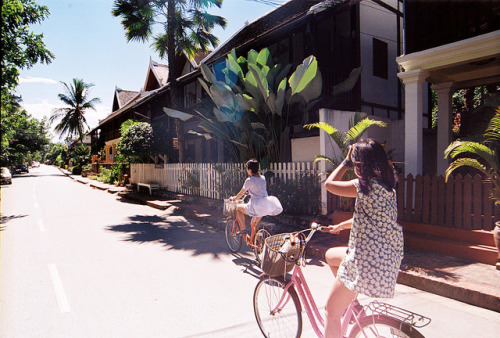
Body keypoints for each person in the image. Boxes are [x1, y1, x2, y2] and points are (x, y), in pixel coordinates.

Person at [322, 139, 403, 338]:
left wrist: (346, 162)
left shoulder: (363, 186)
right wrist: (342, 225)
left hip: (364, 265)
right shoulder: (388, 188)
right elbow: (373, 218)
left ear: (361, 165)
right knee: (331, 255)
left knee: (331, 312)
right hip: (386, 263)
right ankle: (353, 303)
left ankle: (348, 299)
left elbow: (328, 184)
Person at [229, 159, 283, 235]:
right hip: (264, 206)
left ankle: (243, 230)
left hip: (255, 206)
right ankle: (255, 242)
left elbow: (241, 194)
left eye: (247, 169)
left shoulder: (249, 180)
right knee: (253, 224)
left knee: (238, 208)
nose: (247, 170)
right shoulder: (263, 178)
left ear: (250, 170)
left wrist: (234, 198)